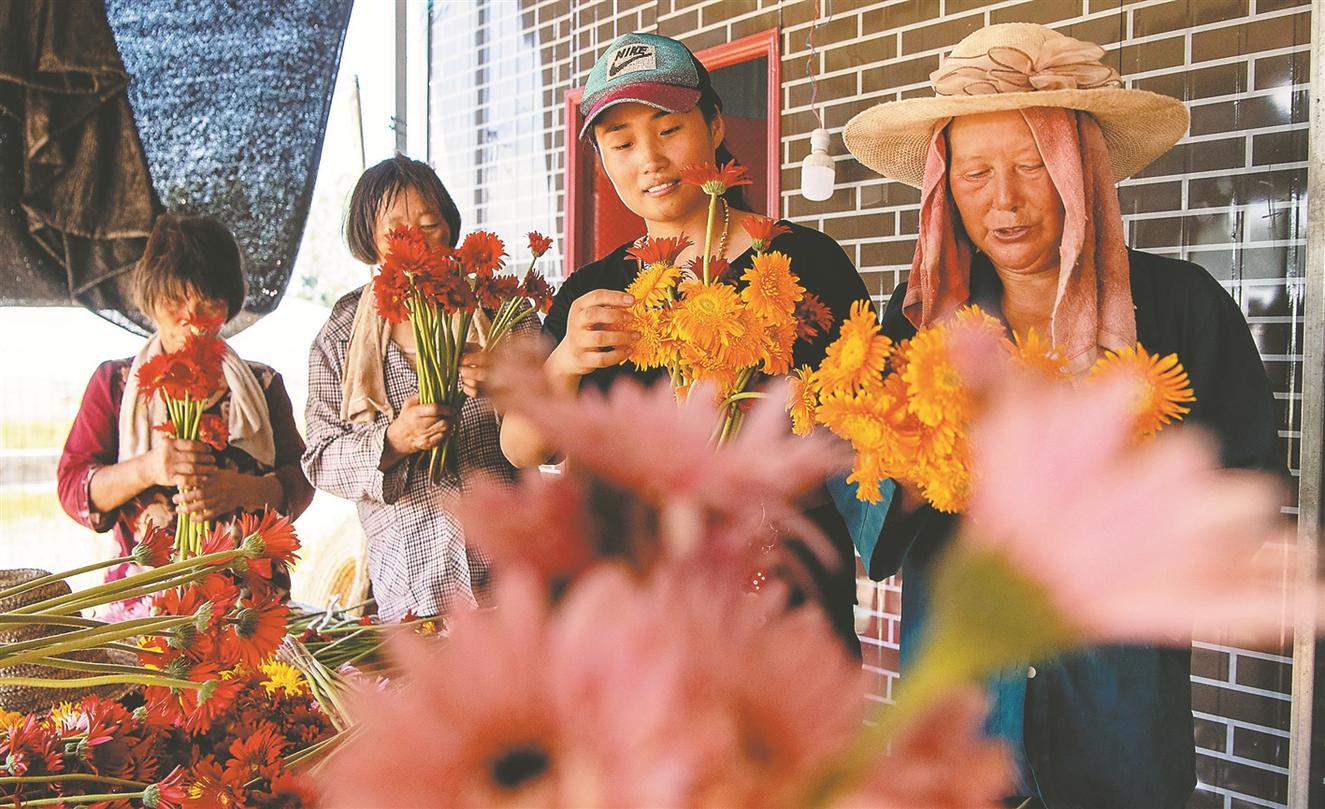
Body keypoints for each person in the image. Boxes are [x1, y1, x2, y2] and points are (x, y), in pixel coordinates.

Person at [842, 23, 1282, 809]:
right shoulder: (914, 329)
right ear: (945, 188)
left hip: (1116, 723)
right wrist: (918, 466)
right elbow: (861, 501)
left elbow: (1249, 491)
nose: (1003, 200)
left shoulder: (1183, 308)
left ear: (1081, 172)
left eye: (1031, 165)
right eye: (975, 173)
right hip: (962, 724)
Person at [498, 32, 873, 654]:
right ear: (603, 161)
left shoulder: (806, 261)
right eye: (622, 143)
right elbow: (521, 447)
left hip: (790, 592)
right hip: (644, 602)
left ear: (716, 124)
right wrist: (564, 362)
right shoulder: (592, 293)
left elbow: (866, 416)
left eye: (669, 129)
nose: (649, 158)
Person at [303, 155, 523, 622]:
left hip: (516, 581)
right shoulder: (340, 335)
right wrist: (395, 439)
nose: (416, 242)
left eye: (429, 225)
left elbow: (559, 419)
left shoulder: (499, 309)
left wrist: (510, 386)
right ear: (368, 241)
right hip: (412, 593)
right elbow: (319, 459)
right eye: (397, 232)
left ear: (451, 229)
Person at [58, 214, 313, 569]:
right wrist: (149, 468)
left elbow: (302, 479)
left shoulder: (263, 384)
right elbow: (73, 490)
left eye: (207, 303)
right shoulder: (114, 383)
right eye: (174, 301)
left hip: (247, 591)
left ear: (228, 306)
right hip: (145, 590)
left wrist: (242, 489)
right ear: (150, 303)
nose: (191, 319)